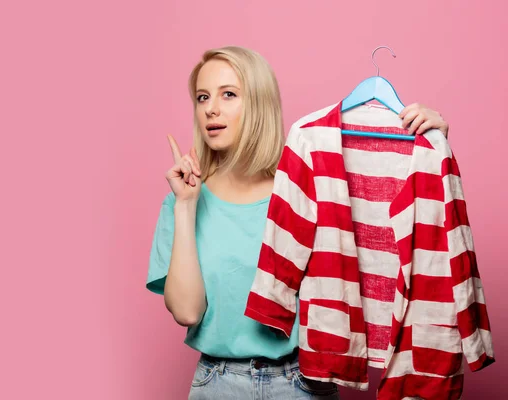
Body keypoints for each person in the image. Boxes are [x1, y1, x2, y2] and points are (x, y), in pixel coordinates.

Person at [145, 46, 450, 400]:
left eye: (229, 94)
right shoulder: (184, 200)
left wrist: (431, 148)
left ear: (259, 103)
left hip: (303, 383)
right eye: (202, 97)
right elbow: (186, 311)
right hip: (218, 383)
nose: (211, 108)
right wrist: (185, 207)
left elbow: (386, 239)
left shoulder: (309, 186)